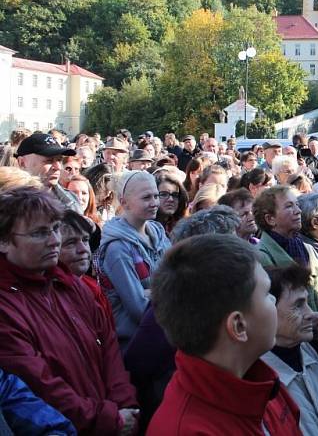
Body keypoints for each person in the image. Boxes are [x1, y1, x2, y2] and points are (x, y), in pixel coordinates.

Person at [0, 187, 139, 434]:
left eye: (54, 229)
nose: (55, 240)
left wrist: (126, 406)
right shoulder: (6, 306)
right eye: (39, 233)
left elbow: (109, 350)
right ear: (4, 241)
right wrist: (108, 419)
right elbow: (39, 384)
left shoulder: (72, 285)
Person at [147, 235, 302, 435]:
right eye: (266, 294)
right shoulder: (187, 429)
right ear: (238, 326)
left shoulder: (259, 382)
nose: (273, 300)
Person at [262, 266, 318, 436]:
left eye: (307, 302)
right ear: (267, 311)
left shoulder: (307, 351)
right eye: (298, 305)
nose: (311, 314)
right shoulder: (260, 379)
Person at [97, 171, 170, 351]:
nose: (154, 203)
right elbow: (139, 308)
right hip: (135, 344)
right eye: (146, 197)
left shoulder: (158, 233)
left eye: (156, 195)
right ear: (124, 202)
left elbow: (180, 280)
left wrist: (150, 292)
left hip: (163, 336)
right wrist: (169, 292)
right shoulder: (118, 249)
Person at [254, 186, 318, 313]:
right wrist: (309, 317)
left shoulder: (307, 248)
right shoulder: (261, 257)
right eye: (289, 206)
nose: (298, 211)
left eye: (297, 205)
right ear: (270, 219)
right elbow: (273, 306)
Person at [14, 133, 82, 212]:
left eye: (59, 160)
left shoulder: (71, 199)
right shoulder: (8, 204)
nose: (58, 167)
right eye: (49, 160)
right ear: (22, 162)